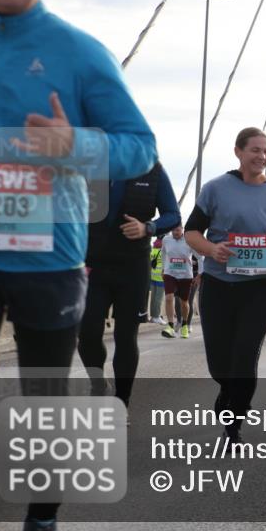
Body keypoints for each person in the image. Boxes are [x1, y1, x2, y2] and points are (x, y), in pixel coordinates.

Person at [0, 0, 157, 531]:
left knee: (42, 408)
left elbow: (140, 147)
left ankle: (41, 519)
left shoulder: (78, 51)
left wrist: (74, 147)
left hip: (51, 258)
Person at [184, 128, 266, 447]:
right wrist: (211, 249)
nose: (262, 156)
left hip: (262, 285)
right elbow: (191, 232)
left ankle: (234, 423)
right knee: (220, 361)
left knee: (246, 352)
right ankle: (228, 389)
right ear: (238, 152)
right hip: (219, 283)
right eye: (255, 150)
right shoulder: (215, 189)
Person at [78, 161, 180, 406]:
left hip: (132, 267)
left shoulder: (152, 170)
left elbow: (173, 214)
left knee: (126, 336)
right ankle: (98, 383)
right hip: (92, 265)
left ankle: (122, 402)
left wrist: (148, 227)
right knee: (88, 334)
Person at [159, 224, 196, 338]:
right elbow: (164, 253)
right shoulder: (166, 239)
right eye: (173, 230)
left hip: (185, 275)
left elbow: (199, 256)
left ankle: (184, 324)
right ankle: (170, 326)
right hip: (170, 273)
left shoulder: (189, 240)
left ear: (182, 229)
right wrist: (163, 268)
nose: (175, 232)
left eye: (178, 230)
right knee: (169, 298)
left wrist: (200, 273)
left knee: (184, 302)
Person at [149, 237, 167, 324]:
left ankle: (152, 316)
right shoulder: (163, 250)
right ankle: (156, 316)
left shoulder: (153, 249)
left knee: (153, 297)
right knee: (158, 298)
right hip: (161, 277)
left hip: (153, 276)